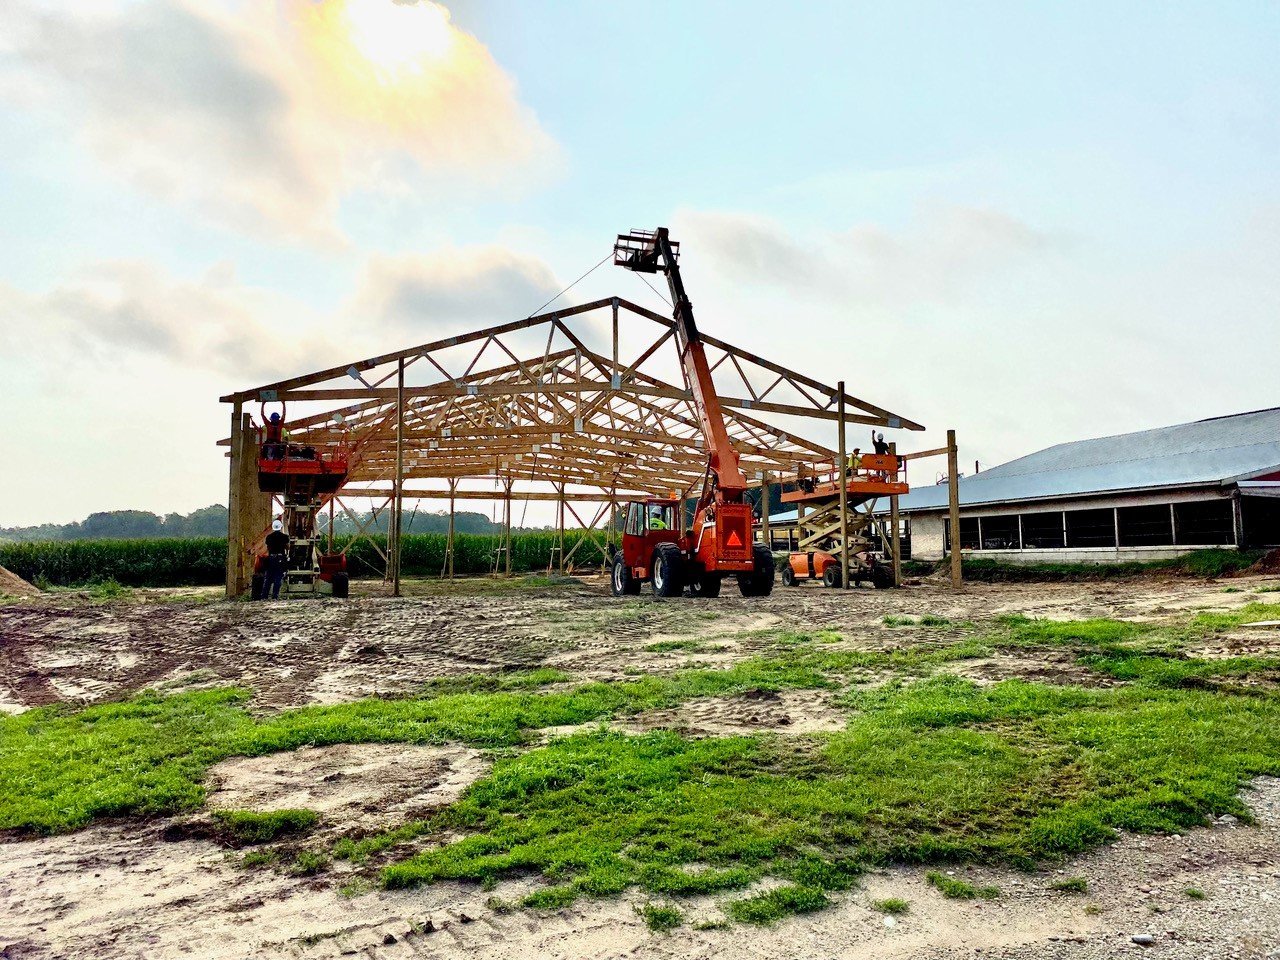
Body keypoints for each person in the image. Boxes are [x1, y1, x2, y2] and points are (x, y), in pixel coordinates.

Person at [264, 519, 289, 600]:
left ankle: (264, 596)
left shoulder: (269, 537)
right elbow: (287, 547)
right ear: (281, 527)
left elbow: (268, 548)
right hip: (280, 558)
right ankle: (275, 596)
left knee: (268, 577)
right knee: (278, 577)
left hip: (271, 558)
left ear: (273, 527)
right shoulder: (285, 537)